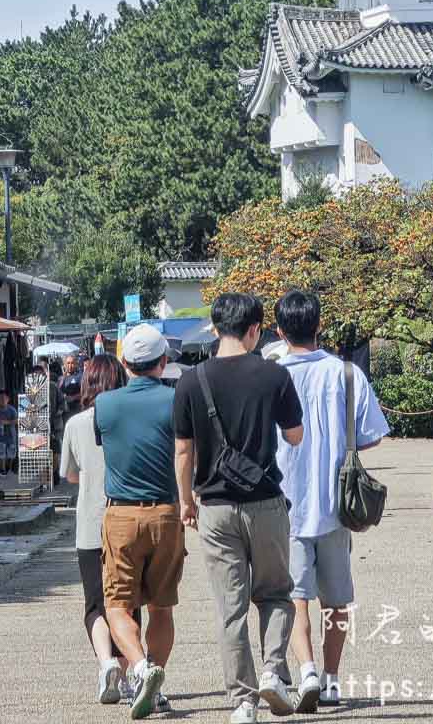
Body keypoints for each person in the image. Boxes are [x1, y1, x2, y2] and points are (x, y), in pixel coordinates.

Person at [173, 293, 304, 724]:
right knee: (276, 594)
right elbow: (294, 435)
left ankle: (243, 702)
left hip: (214, 507)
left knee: (230, 606)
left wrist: (185, 501)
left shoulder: (192, 381)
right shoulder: (273, 376)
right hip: (264, 502)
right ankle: (272, 670)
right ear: (254, 330)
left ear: (214, 329)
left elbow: (183, 450)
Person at [274, 288, 389, 712]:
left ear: (280, 330)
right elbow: (371, 436)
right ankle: (332, 678)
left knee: (296, 595)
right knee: (336, 599)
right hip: (337, 506)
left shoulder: (273, 376)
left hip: (286, 504)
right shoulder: (347, 375)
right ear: (319, 325)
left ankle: (304, 670)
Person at [94, 323, 184, 720]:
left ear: (123, 362)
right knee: (162, 608)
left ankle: (142, 668)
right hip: (166, 512)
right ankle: (156, 684)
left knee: (117, 606)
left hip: (121, 515)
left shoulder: (105, 405)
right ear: (163, 363)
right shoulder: (175, 401)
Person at [61, 354, 140, 705]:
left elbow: (70, 474)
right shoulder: (129, 418)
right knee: (127, 603)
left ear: (87, 384)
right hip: (124, 521)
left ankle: (105, 663)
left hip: (89, 525)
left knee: (95, 604)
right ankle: (123, 677)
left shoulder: (75, 424)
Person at [0, 388, 18, 474]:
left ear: (8, 399)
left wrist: (7, 422)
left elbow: (18, 420)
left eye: (3, 398)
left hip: (11, 435)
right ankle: (3, 469)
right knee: (1, 453)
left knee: (11, 454)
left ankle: (8, 468)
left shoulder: (12, 410)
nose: (1, 400)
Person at [60, 352, 85, 420]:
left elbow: (84, 392)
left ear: (76, 364)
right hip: (65, 411)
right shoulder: (61, 378)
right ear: (64, 364)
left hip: (76, 409)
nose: (70, 366)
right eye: (68, 363)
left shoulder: (80, 376)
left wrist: (73, 397)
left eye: (72, 363)